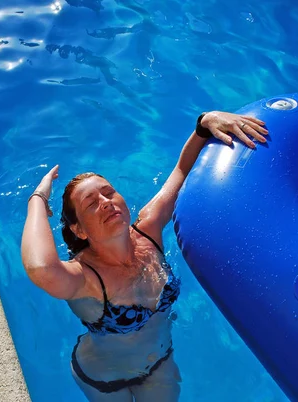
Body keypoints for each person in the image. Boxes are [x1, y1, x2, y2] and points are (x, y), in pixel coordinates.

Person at [21, 111, 268, 401]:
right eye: (91, 203)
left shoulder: (149, 229)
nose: (105, 203)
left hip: (160, 363)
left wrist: (204, 124)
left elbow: (181, 173)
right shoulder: (85, 278)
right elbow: (41, 268)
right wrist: (38, 199)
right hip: (103, 379)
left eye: (109, 193)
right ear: (80, 230)